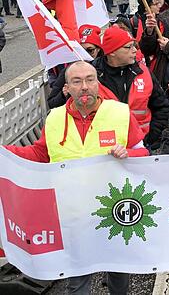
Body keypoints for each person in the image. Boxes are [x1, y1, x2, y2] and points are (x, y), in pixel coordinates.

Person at [4, 61, 147, 295]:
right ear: (66, 88)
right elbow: (41, 153)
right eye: (77, 81)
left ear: (98, 84)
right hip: (73, 213)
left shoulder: (120, 112)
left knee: (119, 273)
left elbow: (143, 153)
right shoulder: (55, 118)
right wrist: (5, 153)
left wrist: (128, 153)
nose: (85, 86)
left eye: (90, 80)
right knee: (77, 279)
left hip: (114, 210)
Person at [47, 27, 169, 153]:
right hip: (103, 150)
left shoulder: (143, 72)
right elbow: (73, 113)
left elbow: (161, 106)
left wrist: (149, 138)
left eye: (134, 46)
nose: (135, 50)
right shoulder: (90, 76)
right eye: (129, 47)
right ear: (112, 52)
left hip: (140, 145)